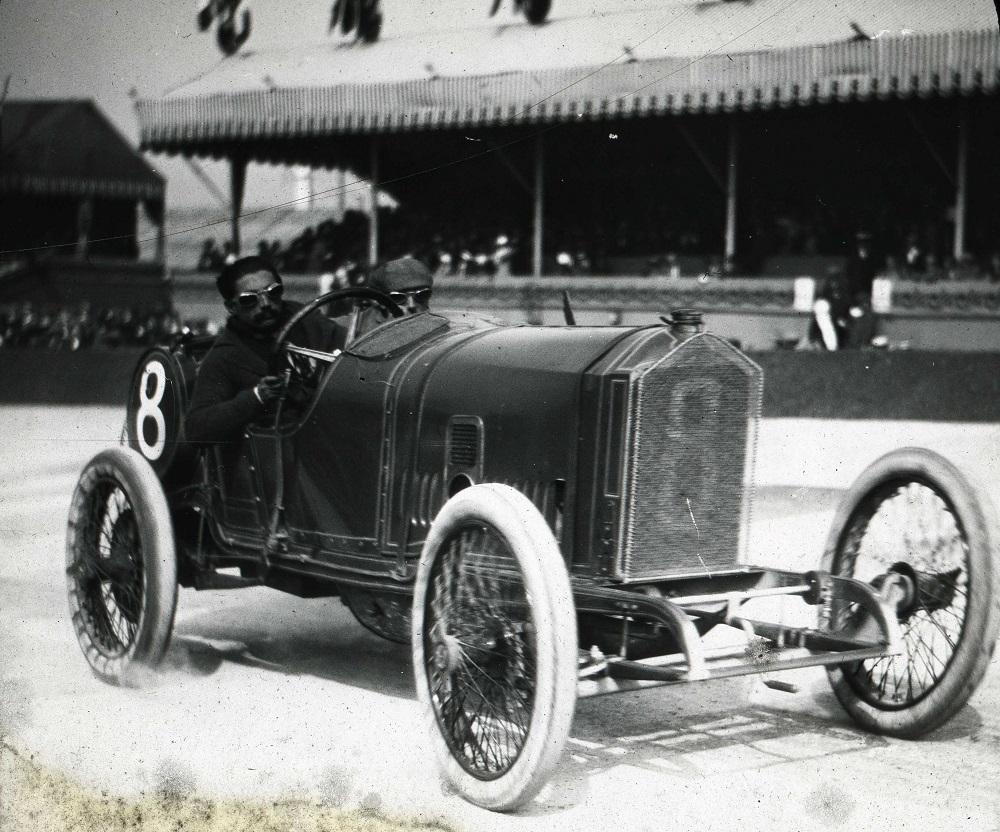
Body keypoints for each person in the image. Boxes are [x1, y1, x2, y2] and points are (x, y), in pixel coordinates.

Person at [186, 256, 345, 445]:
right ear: (231, 307)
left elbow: (348, 342)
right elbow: (196, 429)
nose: (265, 304)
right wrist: (256, 397)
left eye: (273, 292)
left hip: (333, 434)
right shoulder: (224, 356)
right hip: (279, 455)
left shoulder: (305, 318)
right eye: (249, 300)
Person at [351, 256, 433, 340]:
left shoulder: (437, 326)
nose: (412, 305)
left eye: (422, 295)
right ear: (377, 301)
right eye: (398, 297)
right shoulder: (348, 327)